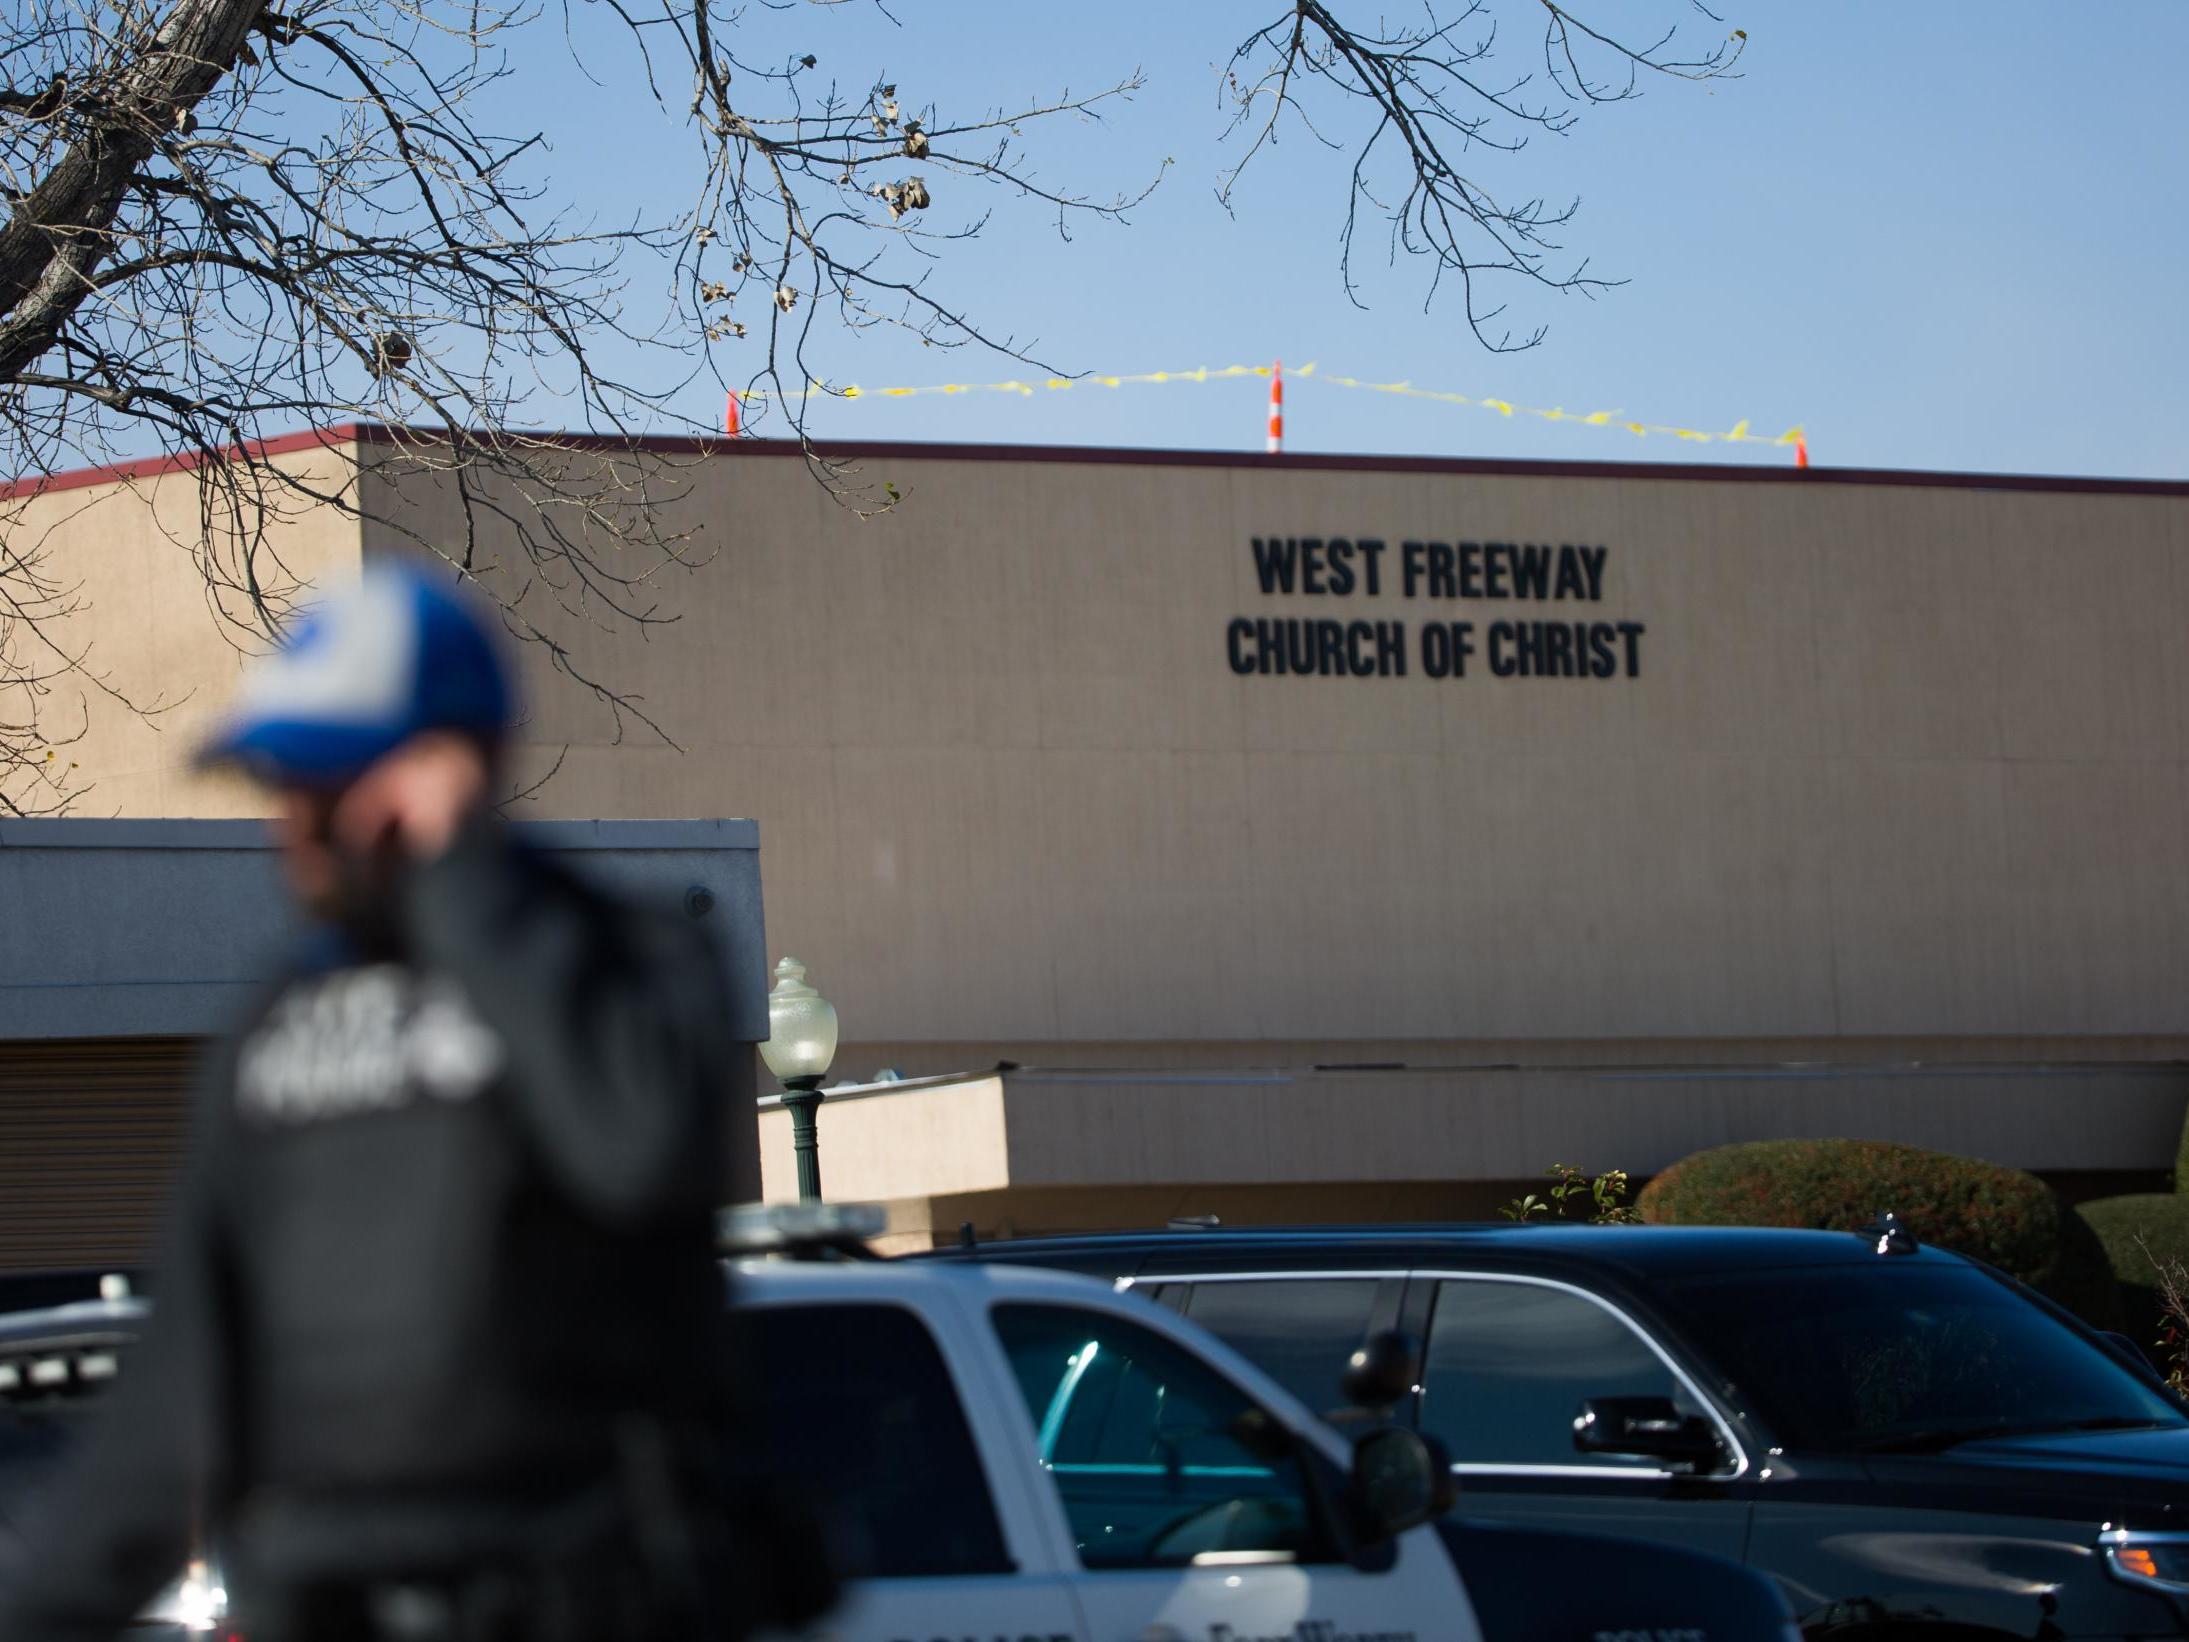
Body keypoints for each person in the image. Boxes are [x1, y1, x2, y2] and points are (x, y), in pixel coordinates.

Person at [0, 560, 819, 1641]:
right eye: (278, 784)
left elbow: (639, 1154)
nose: (287, 822)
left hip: (579, 1600)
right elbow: (175, 1405)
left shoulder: (628, 960)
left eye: (321, 783)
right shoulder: (276, 1023)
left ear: (440, 769)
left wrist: (466, 880)